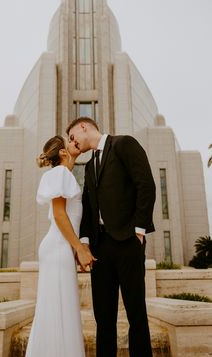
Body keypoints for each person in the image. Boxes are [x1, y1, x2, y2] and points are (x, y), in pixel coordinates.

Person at [67, 117, 156, 357]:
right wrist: (84, 244)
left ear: (83, 127)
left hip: (128, 241)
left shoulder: (124, 144)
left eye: (73, 136)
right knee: (103, 318)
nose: (72, 143)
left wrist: (139, 230)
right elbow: (88, 205)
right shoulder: (87, 166)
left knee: (136, 313)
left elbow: (145, 184)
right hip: (100, 248)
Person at [25, 135, 96, 357]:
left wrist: (75, 248)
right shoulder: (61, 173)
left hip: (60, 247)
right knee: (58, 310)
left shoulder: (63, 174)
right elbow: (59, 214)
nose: (75, 141)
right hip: (57, 246)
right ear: (63, 153)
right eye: (70, 140)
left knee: (59, 310)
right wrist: (81, 249)